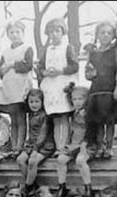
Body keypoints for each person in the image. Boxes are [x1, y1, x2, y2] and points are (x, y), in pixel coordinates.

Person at [36, 18, 78, 156]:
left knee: (63, 116)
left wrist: (60, 71)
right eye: (51, 32)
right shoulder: (46, 50)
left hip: (63, 84)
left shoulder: (67, 48)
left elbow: (74, 66)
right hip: (51, 86)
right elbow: (40, 66)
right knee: (55, 117)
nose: (54, 34)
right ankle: (56, 146)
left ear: (62, 32)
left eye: (57, 31)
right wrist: (44, 72)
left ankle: (63, 147)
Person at [84, 20, 117, 159]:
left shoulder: (115, 51)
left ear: (113, 35)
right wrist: (91, 73)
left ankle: (109, 147)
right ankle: (99, 146)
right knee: (98, 120)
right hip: (97, 90)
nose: (105, 35)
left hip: (110, 89)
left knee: (110, 120)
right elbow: (88, 73)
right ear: (97, 35)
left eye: (109, 33)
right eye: (102, 33)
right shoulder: (93, 53)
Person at [0, 19, 33, 154]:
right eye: (12, 32)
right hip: (9, 88)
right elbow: (0, 71)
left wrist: (12, 65)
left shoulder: (26, 48)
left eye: (18, 32)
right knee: (13, 118)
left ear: (23, 33)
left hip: (21, 87)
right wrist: (3, 70)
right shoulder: (5, 52)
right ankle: (14, 144)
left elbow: (28, 66)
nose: (15, 35)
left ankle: (20, 145)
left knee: (21, 118)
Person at [55, 83, 93, 197]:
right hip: (74, 144)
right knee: (60, 159)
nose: (77, 102)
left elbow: (91, 132)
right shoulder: (74, 113)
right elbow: (72, 131)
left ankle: (88, 187)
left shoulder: (88, 114)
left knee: (80, 160)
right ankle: (62, 186)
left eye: (80, 99)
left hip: (86, 144)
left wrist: (83, 145)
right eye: (74, 99)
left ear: (86, 99)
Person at [18, 89, 55, 194]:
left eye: (37, 101)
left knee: (32, 162)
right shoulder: (31, 115)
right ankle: (32, 184)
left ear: (42, 102)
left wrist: (36, 149)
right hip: (32, 144)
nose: (34, 104)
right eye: (31, 102)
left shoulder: (45, 116)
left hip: (45, 145)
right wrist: (28, 145)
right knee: (20, 160)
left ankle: (27, 187)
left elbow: (43, 134)